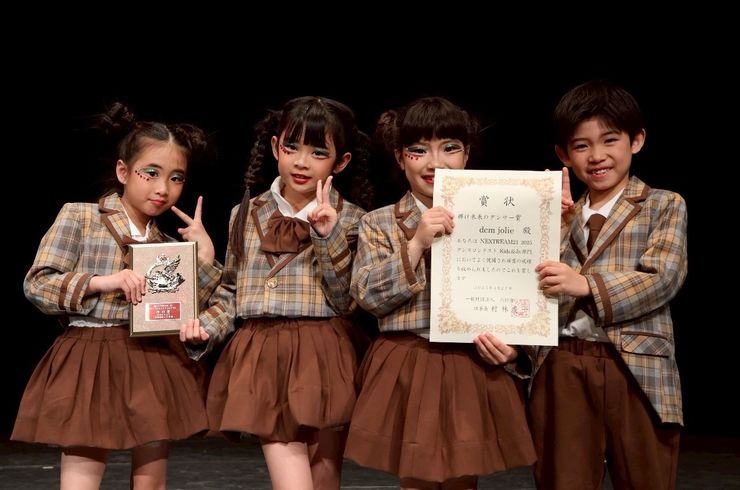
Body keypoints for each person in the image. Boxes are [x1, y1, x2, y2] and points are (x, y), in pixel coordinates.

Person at [12, 103, 222, 490]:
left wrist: (204, 257)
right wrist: (101, 282)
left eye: (176, 178)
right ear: (123, 171)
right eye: (151, 173)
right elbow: (37, 284)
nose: (163, 189)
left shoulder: (166, 245)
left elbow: (194, 308)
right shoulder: (81, 216)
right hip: (90, 354)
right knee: (81, 478)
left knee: (151, 481)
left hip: (151, 357)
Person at [180, 96, 372, 490]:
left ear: (340, 162)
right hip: (262, 352)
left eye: (318, 152)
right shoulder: (245, 213)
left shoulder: (354, 218)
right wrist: (206, 327)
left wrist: (328, 236)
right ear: (274, 147)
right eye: (291, 147)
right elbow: (232, 291)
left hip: (325, 354)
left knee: (324, 481)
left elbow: (347, 301)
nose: (301, 162)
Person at [344, 96, 536, 490]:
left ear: (467, 155)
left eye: (450, 148)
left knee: (463, 478)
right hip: (408, 359)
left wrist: (516, 348)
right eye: (419, 150)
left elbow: (524, 290)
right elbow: (367, 296)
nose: (435, 163)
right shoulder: (380, 221)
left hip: (472, 361)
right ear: (400, 158)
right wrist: (415, 244)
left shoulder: (500, 214)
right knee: (415, 477)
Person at [531, 80, 688, 490]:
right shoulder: (555, 213)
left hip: (635, 366)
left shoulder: (663, 204)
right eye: (581, 146)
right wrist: (555, 226)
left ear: (636, 140)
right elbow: (531, 285)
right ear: (564, 155)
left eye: (610, 140)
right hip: (562, 363)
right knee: (562, 479)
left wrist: (585, 285)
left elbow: (663, 278)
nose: (597, 155)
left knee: (646, 478)